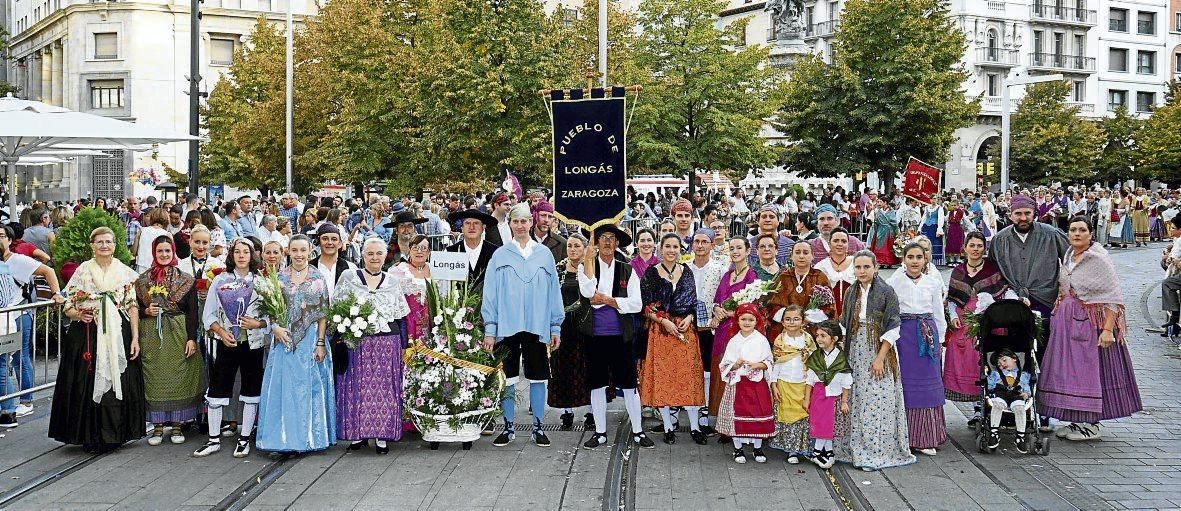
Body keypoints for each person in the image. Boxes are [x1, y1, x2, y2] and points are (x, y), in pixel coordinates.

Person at [1038, 216, 1142, 442]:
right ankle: (1077, 420)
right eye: (1073, 230)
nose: (1076, 234)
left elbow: (1112, 297)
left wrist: (1107, 330)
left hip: (1090, 324)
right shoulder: (1069, 255)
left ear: (1091, 234)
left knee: (1088, 372)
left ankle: (1091, 424)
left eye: (1081, 230)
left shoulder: (1098, 259)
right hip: (1068, 322)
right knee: (1070, 373)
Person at [49, 227, 145, 453]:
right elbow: (68, 305)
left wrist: (135, 338)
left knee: (116, 380)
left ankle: (115, 434)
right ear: (92, 245)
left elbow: (132, 306)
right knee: (86, 382)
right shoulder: (83, 271)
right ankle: (88, 434)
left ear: (115, 245)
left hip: (117, 335)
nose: (104, 245)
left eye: (108, 242)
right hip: (87, 335)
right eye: (99, 242)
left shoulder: (125, 272)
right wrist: (78, 314)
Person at [481, 203, 564, 448]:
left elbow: (553, 292)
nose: (520, 225)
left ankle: (538, 426)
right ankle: (508, 427)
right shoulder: (500, 255)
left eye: (524, 221)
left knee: (539, 376)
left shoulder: (544, 254)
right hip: (507, 325)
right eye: (515, 221)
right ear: (510, 224)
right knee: (507, 377)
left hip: (537, 325)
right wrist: (490, 328)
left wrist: (555, 326)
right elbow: (491, 293)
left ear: (531, 222)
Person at [835, 250, 915, 471]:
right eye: (858, 267)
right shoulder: (852, 291)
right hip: (855, 348)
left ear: (875, 268)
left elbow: (893, 326)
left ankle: (876, 451)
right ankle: (855, 448)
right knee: (856, 397)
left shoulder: (886, 292)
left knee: (877, 398)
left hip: (878, 348)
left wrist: (880, 358)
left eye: (866, 267)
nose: (861, 271)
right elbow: (844, 321)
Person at [577, 223, 654, 449]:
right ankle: (600, 432)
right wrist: (589, 260)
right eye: (602, 237)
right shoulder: (586, 267)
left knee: (629, 384)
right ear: (596, 243)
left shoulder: (627, 270)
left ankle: (638, 431)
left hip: (622, 336)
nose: (607, 242)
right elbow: (588, 293)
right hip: (595, 336)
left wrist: (609, 300)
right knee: (597, 384)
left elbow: (636, 304)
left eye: (611, 237)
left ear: (618, 242)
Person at [256, 235, 335, 453]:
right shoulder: (278, 277)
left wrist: (320, 343)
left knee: (307, 390)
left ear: (311, 251)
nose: (299, 255)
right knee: (283, 390)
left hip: (309, 340)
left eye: (303, 250)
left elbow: (323, 314)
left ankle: (309, 438)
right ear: (288, 252)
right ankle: (281, 439)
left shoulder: (318, 278)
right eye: (295, 250)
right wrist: (275, 328)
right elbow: (268, 309)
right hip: (284, 340)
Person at [193, 239, 270, 458]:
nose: (242, 255)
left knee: (251, 390)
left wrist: (258, 324)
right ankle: (213, 439)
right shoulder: (221, 279)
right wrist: (220, 331)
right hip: (228, 341)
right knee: (218, 387)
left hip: (253, 343)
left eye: (246, 252)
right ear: (231, 255)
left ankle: (244, 438)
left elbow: (272, 316)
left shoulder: (261, 281)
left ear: (253, 255)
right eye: (237, 251)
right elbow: (208, 314)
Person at [333, 237, 410, 454]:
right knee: (357, 387)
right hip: (358, 342)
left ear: (385, 256)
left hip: (387, 343)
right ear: (363, 256)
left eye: (378, 254)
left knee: (385, 389)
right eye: (370, 254)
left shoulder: (392, 281)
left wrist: (404, 346)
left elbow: (401, 317)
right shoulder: (349, 278)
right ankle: (357, 434)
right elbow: (337, 309)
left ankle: (382, 435)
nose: (375, 258)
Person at [639, 233, 707, 445]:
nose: (671, 250)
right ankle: (668, 426)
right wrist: (663, 322)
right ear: (660, 249)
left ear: (680, 249)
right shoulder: (650, 273)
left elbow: (693, 301)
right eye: (667, 246)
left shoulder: (686, 272)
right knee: (664, 379)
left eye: (675, 246)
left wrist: (689, 318)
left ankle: (695, 427)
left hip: (685, 331)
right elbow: (645, 306)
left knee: (690, 378)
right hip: (661, 332)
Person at [135, 236, 203, 446]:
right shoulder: (142, 280)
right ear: (153, 253)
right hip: (152, 337)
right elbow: (134, 309)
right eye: (159, 251)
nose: (163, 255)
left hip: (178, 333)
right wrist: (146, 311)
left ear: (173, 252)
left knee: (179, 377)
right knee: (154, 378)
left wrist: (192, 338)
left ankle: (176, 424)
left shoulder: (186, 279)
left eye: (167, 251)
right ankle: (156, 427)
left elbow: (192, 312)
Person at [886, 242, 948, 455]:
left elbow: (938, 312)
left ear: (925, 260)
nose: (914, 261)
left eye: (918, 257)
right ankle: (905, 436)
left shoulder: (932, 283)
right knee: (905, 384)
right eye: (910, 257)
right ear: (903, 259)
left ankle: (927, 436)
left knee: (928, 383)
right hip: (904, 336)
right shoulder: (894, 281)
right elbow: (890, 312)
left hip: (927, 335)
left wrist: (940, 340)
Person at [708, 238, 758, 434]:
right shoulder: (727, 275)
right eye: (732, 248)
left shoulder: (752, 277)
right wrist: (717, 310)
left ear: (748, 251)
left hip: (740, 332)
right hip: (722, 331)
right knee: (723, 371)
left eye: (739, 248)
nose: (735, 251)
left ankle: (739, 423)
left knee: (738, 374)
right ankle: (723, 421)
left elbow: (753, 308)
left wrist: (730, 314)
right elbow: (717, 300)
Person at [717, 303, 774, 464]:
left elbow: (769, 360)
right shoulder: (734, 341)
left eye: (751, 319)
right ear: (738, 320)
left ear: (757, 321)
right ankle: (738, 448)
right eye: (743, 319)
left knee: (758, 415)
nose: (747, 322)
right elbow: (725, 364)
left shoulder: (761, 339)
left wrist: (758, 365)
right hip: (739, 384)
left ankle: (757, 448)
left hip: (757, 384)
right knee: (738, 415)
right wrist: (735, 364)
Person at [550, 234, 596, 431]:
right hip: (563, 326)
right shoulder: (558, 268)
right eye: (569, 246)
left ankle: (592, 411)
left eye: (577, 246)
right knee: (563, 368)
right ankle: (566, 411)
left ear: (585, 248)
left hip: (585, 324)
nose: (573, 249)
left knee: (588, 368)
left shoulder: (590, 268)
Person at [686, 228, 727, 433]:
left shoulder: (720, 268)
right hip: (687, 326)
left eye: (704, 242)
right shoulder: (684, 267)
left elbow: (723, 296)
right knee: (689, 369)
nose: (700, 245)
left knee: (708, 370)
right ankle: (685, 408)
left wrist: (716, 316)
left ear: (712, 245)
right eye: (697, 241)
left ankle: (705, 412)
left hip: (710, 328)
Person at [768, 305, 815, 464]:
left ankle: (798, 448)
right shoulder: (780, 340)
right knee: (786, 416)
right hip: (784, 383)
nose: (792, 322)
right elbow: (777, 363)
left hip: (803, 383)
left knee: (801, 417)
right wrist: (773, 384)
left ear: (803, 321)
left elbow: (813, 363)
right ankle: (789, 450)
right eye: (788, 319)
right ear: (782, 322)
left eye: (796, 319)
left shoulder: (808, 339)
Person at [804, 319, 852, 469]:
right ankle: (818, 452)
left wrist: (844, 401)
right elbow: (809, 380)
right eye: (817, 335)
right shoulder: (816, 357)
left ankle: (826, 451)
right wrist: (806, 399)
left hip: (834, 397)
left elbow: (846, 381)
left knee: (830, 425)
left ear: (834, 339)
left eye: (823, 336)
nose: (818, 339)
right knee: (819, 423)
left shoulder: (840, 358)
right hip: (819, 394)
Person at [768, 242, 835, 340]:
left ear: (812, 256)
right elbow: (773, 305)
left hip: (814, 331)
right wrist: (791, 319)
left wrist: (808, 318)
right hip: (786, 329)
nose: (801, 256)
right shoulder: (783, 277)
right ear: (791, 256)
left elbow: (829, 308)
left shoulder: (820, 277)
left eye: (805, 252)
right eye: (798, 252)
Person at [984, 349, 1033, 451]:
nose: (1001, 364)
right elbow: (989, 386)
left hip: (1017, 394)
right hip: (1000, 394)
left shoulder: (1023, 374)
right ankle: (994, 433)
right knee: (997, 405)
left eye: (1004, 360)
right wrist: (987, 376)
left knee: (1020, 409)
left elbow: (1027, 387)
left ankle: (1020, 436)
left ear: (1014, 359)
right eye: (999, 364)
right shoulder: (996, 374)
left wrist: (1027, 394)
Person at [445, 209, 500, 292]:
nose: (471, 227)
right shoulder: (449, 252)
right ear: (462, 228)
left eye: (476, 223)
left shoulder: (495, 253)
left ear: (483, 227)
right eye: (467, 223)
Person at [815, 228, 855, 315]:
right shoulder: (821, 266)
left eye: (844, 241)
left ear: (848, 244)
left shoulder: (856, 264)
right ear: (829, 243)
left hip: (853, 314)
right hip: (828, 315)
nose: (840, 244)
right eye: (836, 241)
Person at [311, 223, 356, 298]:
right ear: (319, 242)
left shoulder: (351, 268)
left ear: (340, 243)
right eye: (325, 239)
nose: (329, 242)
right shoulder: (310, 267)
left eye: (334, 239)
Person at [1160, 216, 1181, 340]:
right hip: (1174, 270)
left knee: (1167, 284)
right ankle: (1171, 324)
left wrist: (1172, 259)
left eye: (1173, 228)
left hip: (1177, 271)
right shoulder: (1177, 239)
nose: (1171, 230)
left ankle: (1174, 316)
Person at [868, 199, 899, 267]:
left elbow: (894, 222)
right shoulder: (878, 211)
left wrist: (896, 230)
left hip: (888, 230)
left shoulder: (891, 211)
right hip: (880, 230)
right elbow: (876, 221)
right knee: (880, 246)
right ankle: (880, 261)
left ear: (885, 202)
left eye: (880, 202)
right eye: (878, 202)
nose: (879, 203)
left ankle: (889, 262)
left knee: (888, 246)